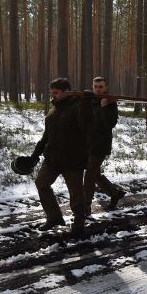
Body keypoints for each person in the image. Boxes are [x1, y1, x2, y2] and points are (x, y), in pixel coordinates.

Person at [31, 78, 92, 236]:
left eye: (56, 93)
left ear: (66, 92)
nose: (53, 96)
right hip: (53, 158)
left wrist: (86, 103)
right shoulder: (53, 109)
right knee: (41, 183)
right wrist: (34, 155)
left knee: (76, 193)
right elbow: (46, 136)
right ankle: (54, 217)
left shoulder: (78, 106)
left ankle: (79, 223)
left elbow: (85, 125)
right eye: (52, 93)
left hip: (73, 159)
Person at [83, 77, 124, 215]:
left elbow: (110, 123)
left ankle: (86, 207)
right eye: (95, 86)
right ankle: (114, 193)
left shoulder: (110, 102)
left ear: (106, 88)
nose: (98, 89)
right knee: (94, 174)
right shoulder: (89, 100)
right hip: (87, 143)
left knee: (89, 174)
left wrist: (104, 107)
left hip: (100, 145)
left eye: (100, 87)